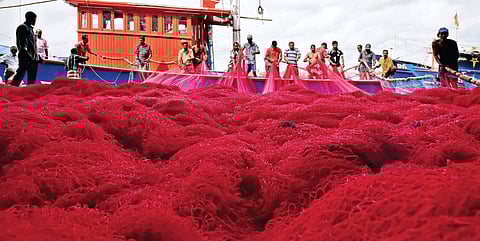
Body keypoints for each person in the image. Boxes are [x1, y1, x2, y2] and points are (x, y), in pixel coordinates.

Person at [11, 11, 40, 87]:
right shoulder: (23, 27)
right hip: (25, 56)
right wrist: (28, 55)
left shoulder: (31, 30)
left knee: (32, 80)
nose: (34, 21)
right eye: (34, 19)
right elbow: (22, 44)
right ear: (29, 18)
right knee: (20, 74)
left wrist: (37, 56)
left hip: (32, 58)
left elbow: (33, 45)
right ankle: (12, 90)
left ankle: (30, 93)